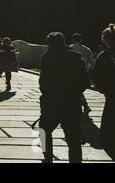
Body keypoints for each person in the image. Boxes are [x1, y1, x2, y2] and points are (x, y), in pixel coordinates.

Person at [39, 32, 90, 163]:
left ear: (49, 44)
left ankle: (47, 157)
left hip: (52, 103)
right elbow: (85, 82)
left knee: (44, 130)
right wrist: (74, 92)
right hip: (71, 103)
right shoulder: (76, 56)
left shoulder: (47, 57)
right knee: (73, 137)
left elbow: (43, 83)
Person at [92, 24, 115, 161]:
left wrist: (103, 88)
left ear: (106, 39)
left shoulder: (104, 56)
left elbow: (95, 75)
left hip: (112, 96)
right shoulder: (105, 55)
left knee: (107, 134)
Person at [70, 33, 95, 117]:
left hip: (71, 73)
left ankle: (84, 106)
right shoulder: (87, 49)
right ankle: (84, 107)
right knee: (78, 91)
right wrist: (88, 70)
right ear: (81, 40)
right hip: (83, 73)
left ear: (73, 39)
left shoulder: (69, 48)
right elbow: (92, 62)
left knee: (75, 91)